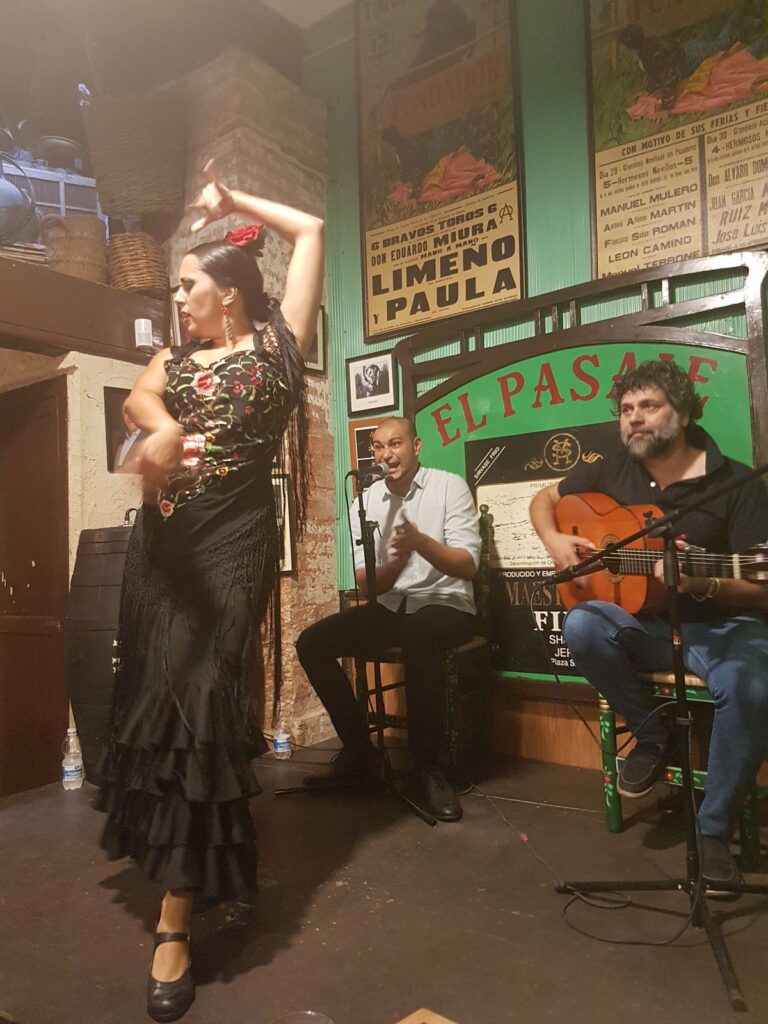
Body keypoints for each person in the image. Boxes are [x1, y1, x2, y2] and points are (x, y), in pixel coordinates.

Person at [96, 159, 323, 1022]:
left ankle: (175, 921)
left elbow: (310, 233)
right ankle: (212, 861)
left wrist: (232, 205)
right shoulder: (173, 361)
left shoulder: (277, 345)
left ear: (227, 291)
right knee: (164, 703)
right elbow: (137, 408)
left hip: (233, 547)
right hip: (165, 551)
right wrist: (159, 435)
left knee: (199, 696)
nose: (178, 297)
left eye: (187, 284)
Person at [529, 360, 768, 894]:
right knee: (583, 624)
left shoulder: (734, 482)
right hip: (648, 628)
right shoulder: (614, 469)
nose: (633, 419)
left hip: (724, 627)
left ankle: (711, 829)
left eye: (649, 406)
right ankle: (654, 737)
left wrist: (701, 583)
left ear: (682, 414)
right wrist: (554, 540)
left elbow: (761, 583)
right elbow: (545, 499)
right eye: (625, 410)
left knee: (754, 685)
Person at [295, 417, 481, 822]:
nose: (385, 455)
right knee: (311, 643)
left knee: (419, 632)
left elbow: (467, 566)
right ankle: (362, 753)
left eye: (394, 444)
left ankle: (429, 766)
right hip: (392, 603)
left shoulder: (449, 486)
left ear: (416, 445)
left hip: (446, 602)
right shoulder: (365, 500)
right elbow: (366, 584)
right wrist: (399, 560)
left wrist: (422, 545)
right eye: (377, 447)